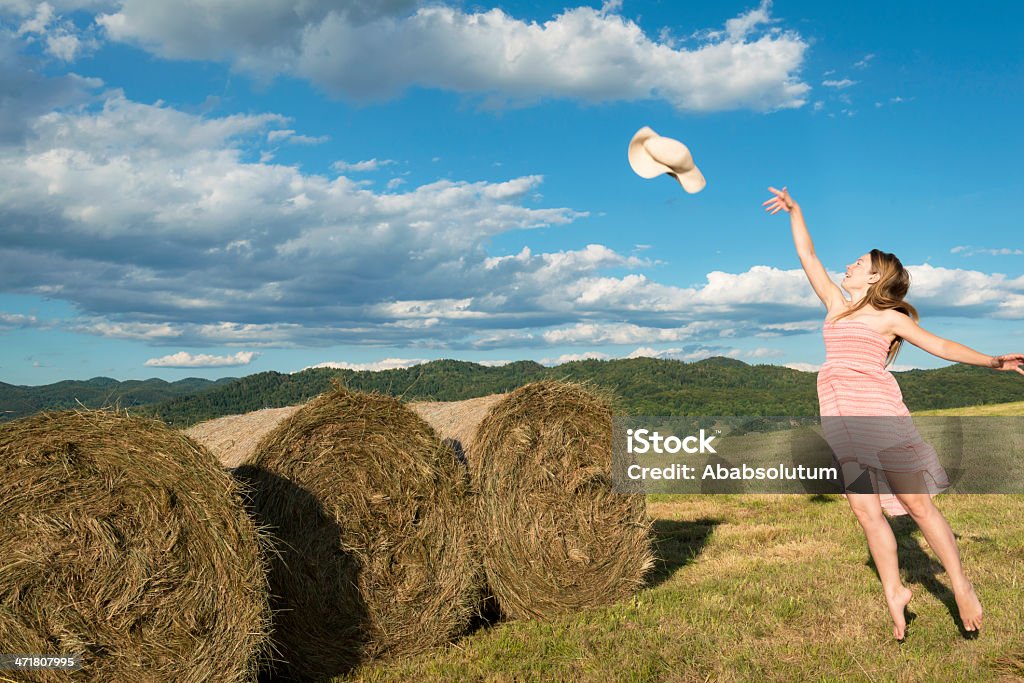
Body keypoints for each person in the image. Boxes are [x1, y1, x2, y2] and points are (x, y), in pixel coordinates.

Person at [763, 185, 1024, 641]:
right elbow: (807, 256)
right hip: (842, 425)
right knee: (866, 514)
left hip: (881, 418)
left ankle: (960, 587)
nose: (847, 266)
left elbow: (940, 346)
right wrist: (795, 211)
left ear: (873, 278)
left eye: (857, 263)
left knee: (917, 506)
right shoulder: (835, 307)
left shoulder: (889, 318)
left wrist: (994, 362)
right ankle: (895, 592)